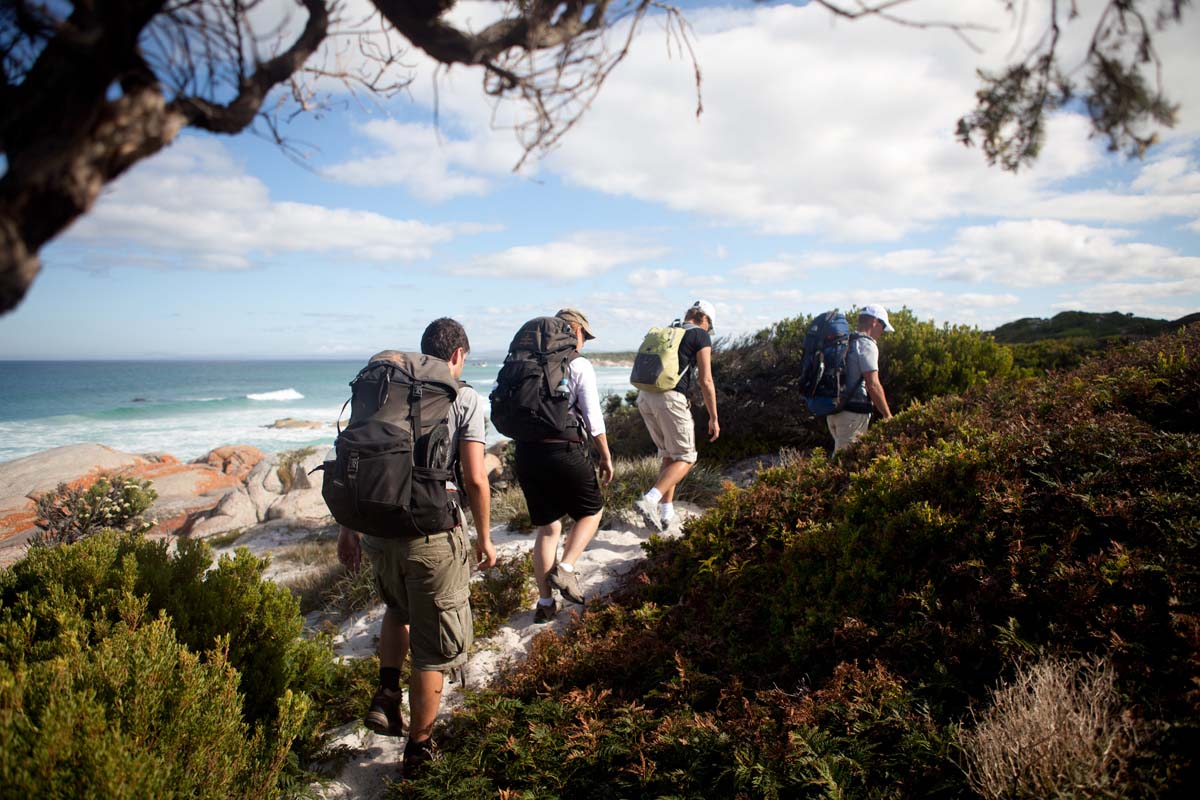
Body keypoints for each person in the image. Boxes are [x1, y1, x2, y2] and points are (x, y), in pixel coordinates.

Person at [336, 317, 496, 779]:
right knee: (432, 650)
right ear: (459, 355)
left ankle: (387, 695)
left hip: (377, 530)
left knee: (397, 609)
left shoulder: (389, 390)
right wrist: (484, 537)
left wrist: (347, 529)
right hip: (431, 534)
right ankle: (420, 748)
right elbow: (475, 478)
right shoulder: (462, 395)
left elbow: (354, 461)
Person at [512, 308, 614, 623]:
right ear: (572, 330)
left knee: (549, 527)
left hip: (527, 453)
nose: (583, 342)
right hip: (564, 449)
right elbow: (593, 419)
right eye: (583, 335)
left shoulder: (524, 362)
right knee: (592, 511)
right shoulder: (578, 364)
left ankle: (544, 604)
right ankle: (566, 569)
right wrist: (605, 456)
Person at [632, 300, 720, 531]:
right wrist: (713, 416)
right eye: (709, 326)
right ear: (704, 319)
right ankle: (650, 500)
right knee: (687, 457)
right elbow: (706, 380)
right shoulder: (700, 336)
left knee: (669, 456)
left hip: (645, 396)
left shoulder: (670, 331)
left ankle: (666, 513)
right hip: (669, 399)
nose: (708, 331)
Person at [826, 304, 894, 453]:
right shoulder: (866, 344)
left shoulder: (846, 341)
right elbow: (873, 384)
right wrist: (887, 415)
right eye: (882, 326)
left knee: (840, 459)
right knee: (845, 463)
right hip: (853, 414)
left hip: (834, 411)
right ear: (875, 321)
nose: (882, 331)